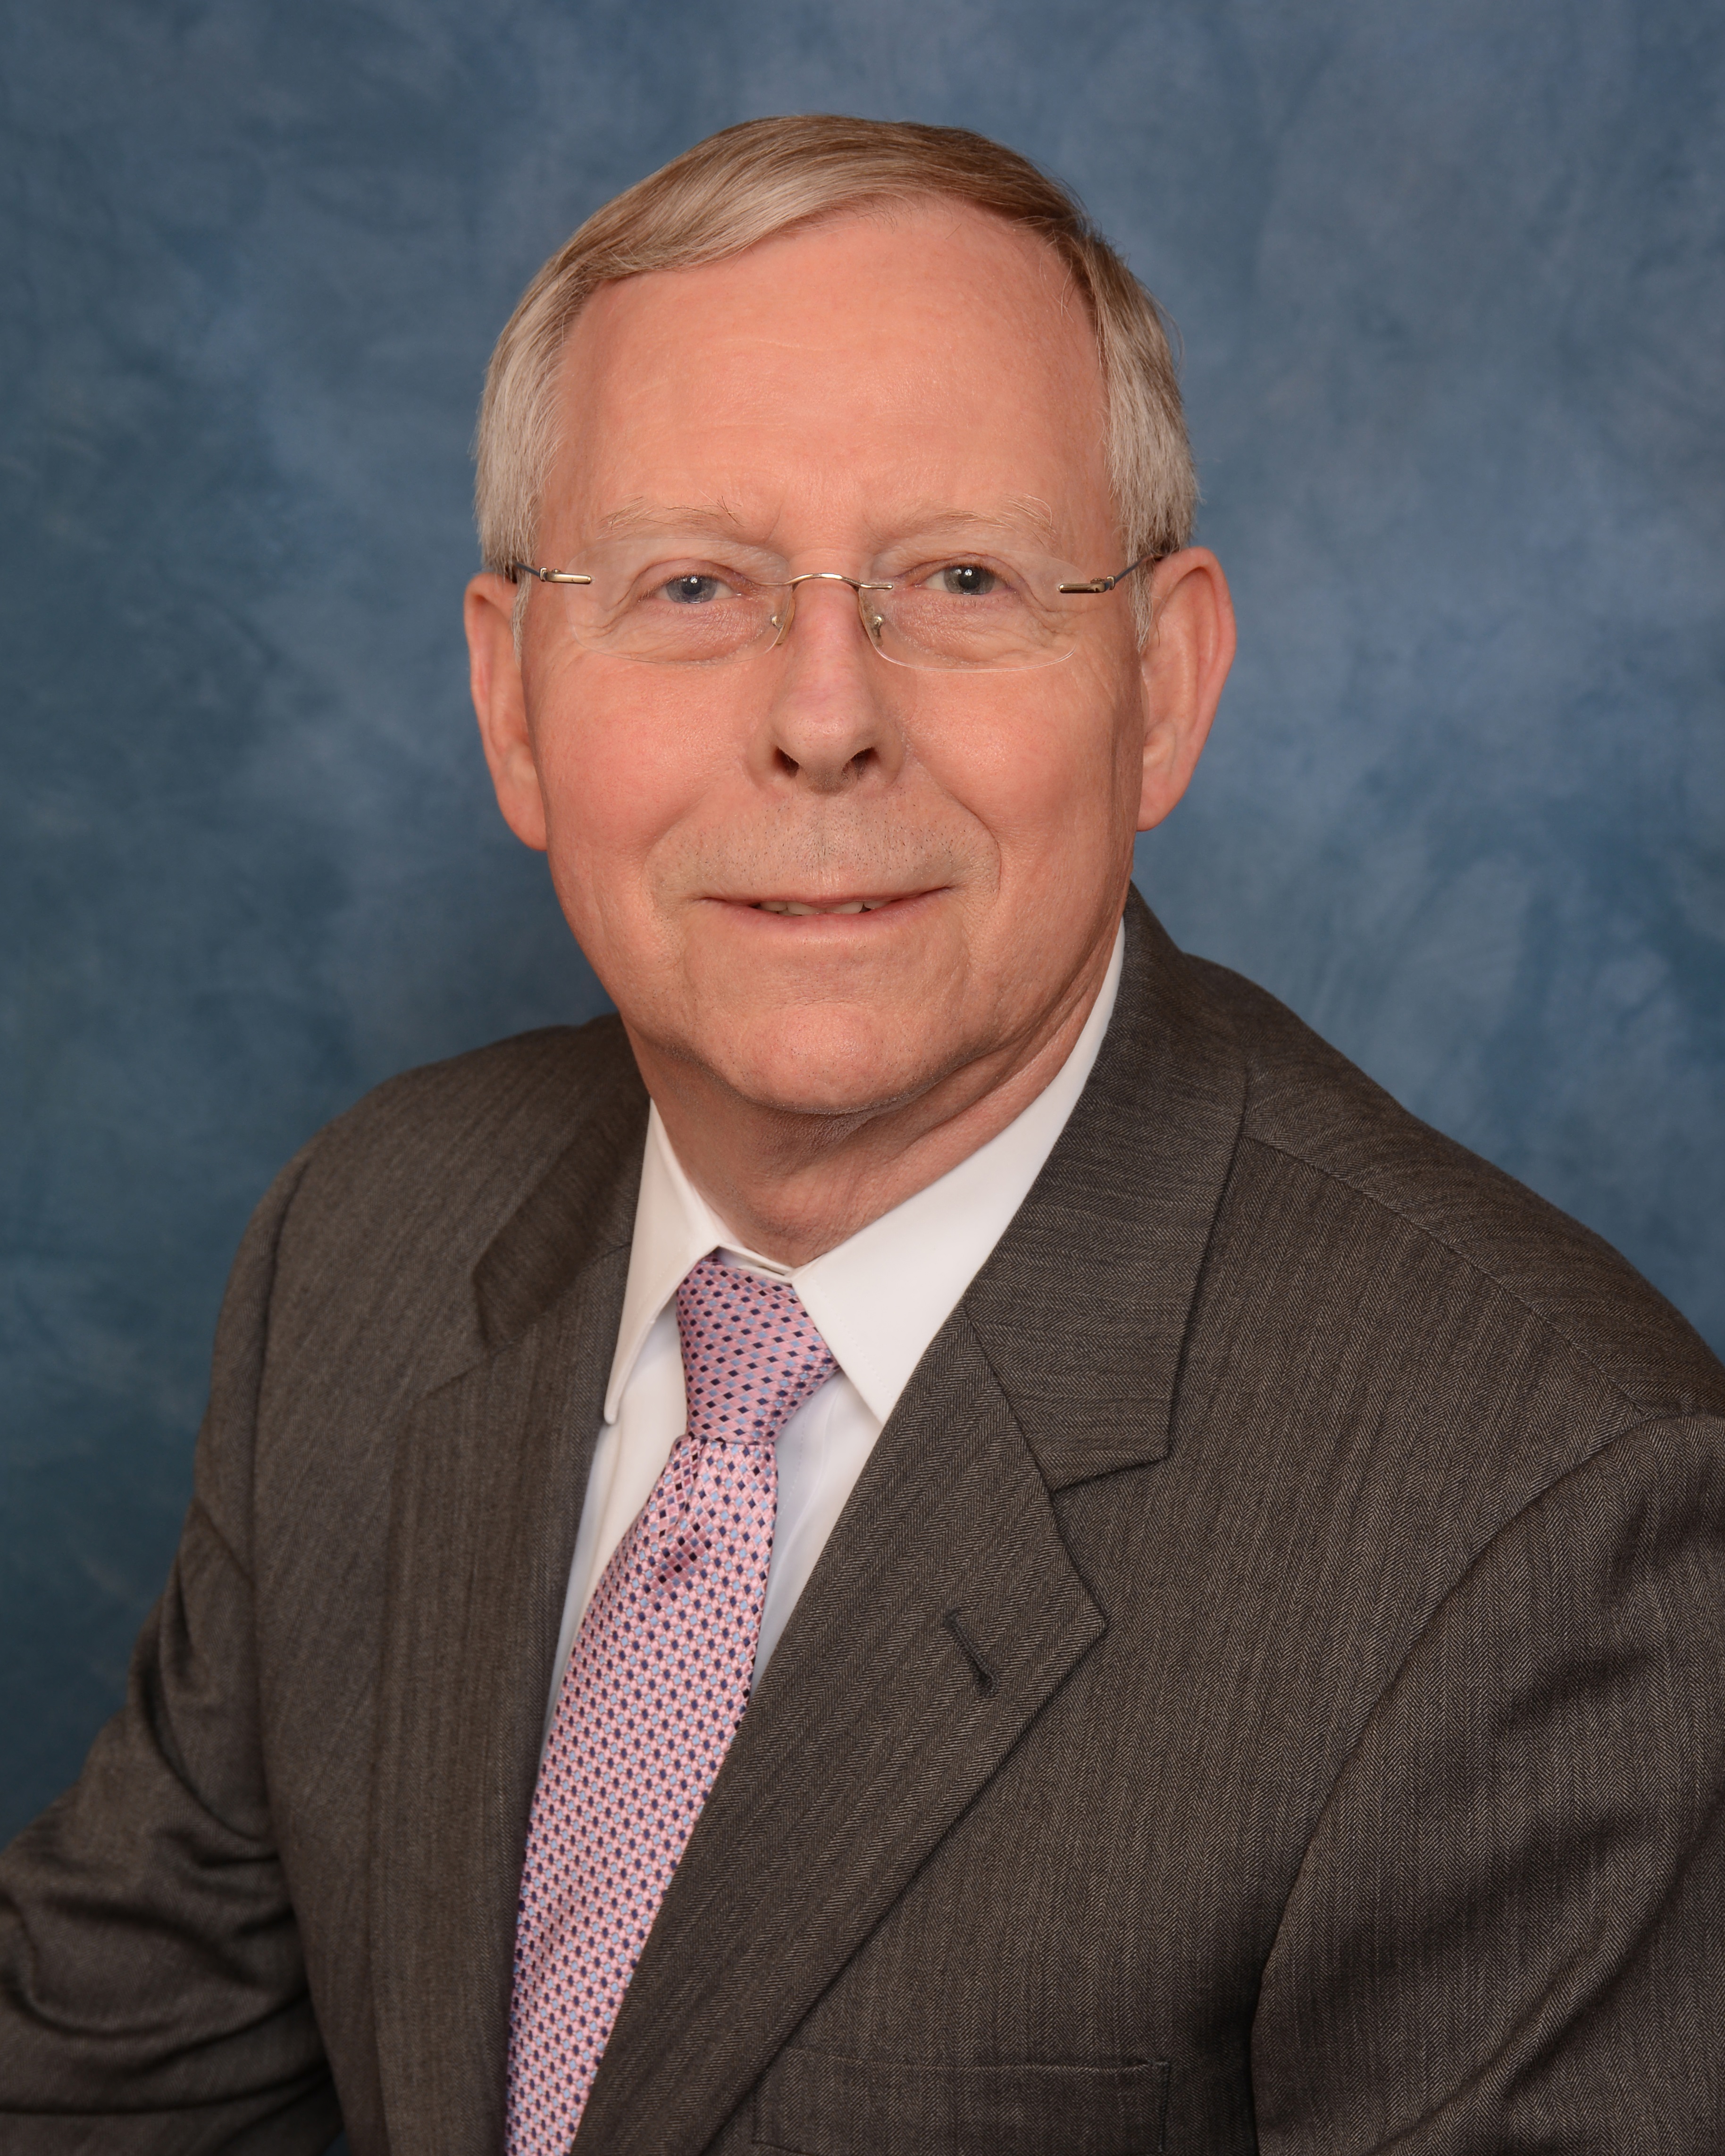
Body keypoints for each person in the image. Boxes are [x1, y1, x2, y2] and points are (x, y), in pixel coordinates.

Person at [2, 114, 1721, 2156]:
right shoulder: (368, 1242)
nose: (824, 717)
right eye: (692, 583)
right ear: (513, 702)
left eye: (961, 578)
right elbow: (110, 2094)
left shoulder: (1548, 1512)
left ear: (1162, 685)